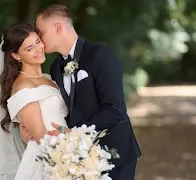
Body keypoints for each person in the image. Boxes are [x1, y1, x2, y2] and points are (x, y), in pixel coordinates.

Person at [20, 4, 141, 180]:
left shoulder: (100, 55)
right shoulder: (55, 68)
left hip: (115, 153)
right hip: (77, 158)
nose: (38, 38)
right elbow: (66, 109)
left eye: (41, 32)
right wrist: (34, 129)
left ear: (58, 27)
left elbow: (115, 110)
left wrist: (74, 132)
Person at [0, 23, 69, 180]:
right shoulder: (23, 87)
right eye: (29, 48)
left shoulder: (48, 78)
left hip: (64, 149)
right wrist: (71, 157)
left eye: (38, 41)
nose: (38, 49)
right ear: (16, 56)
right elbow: (40, 135)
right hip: (49, 158)